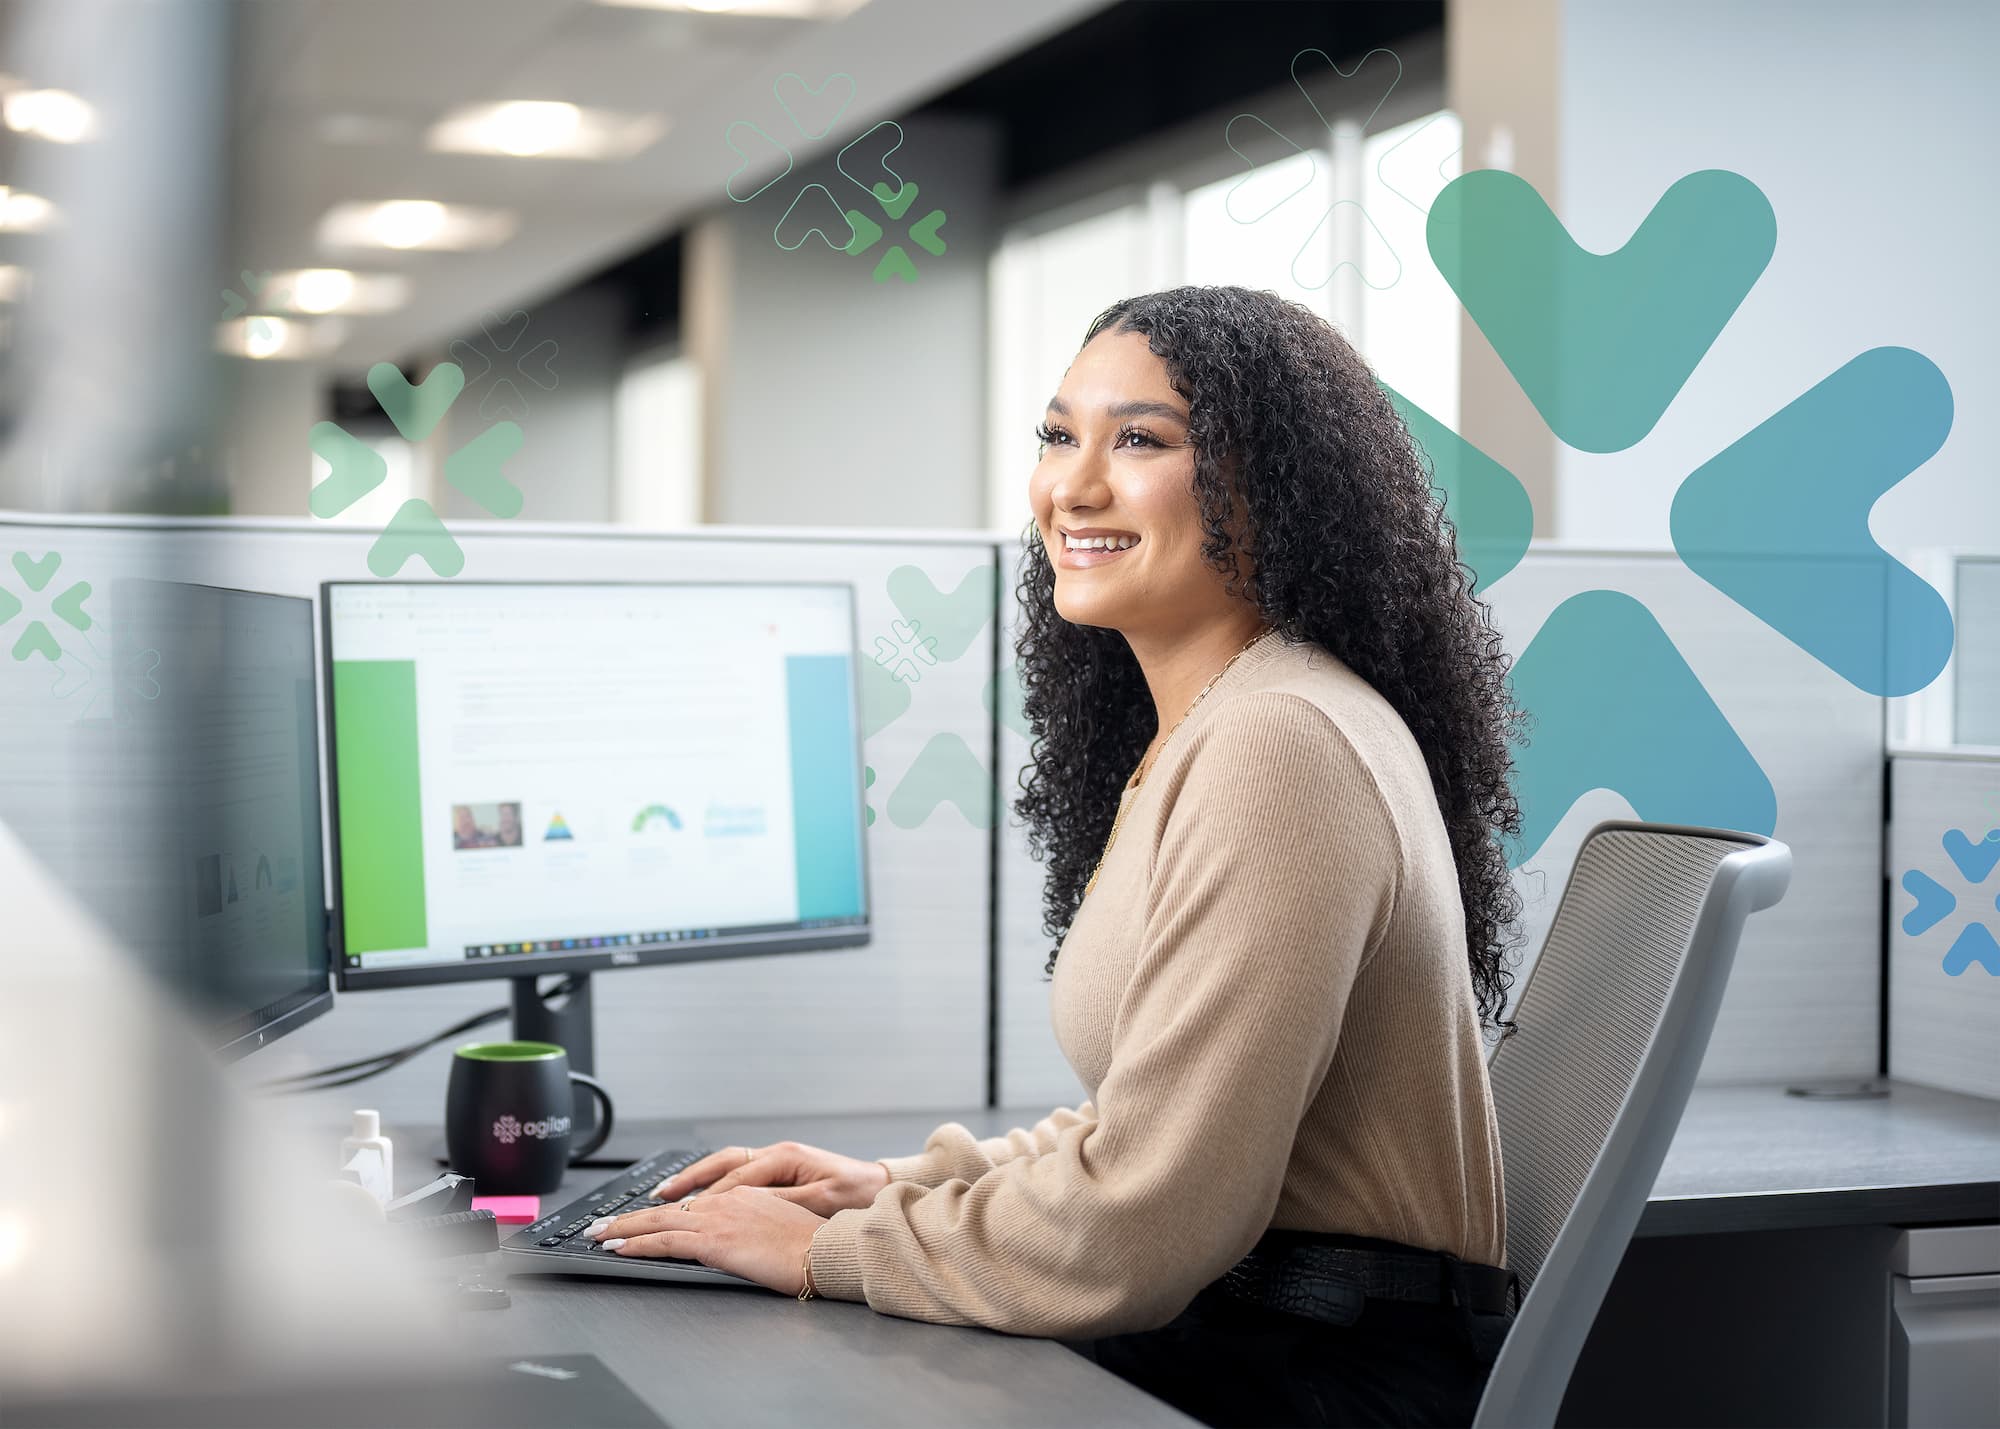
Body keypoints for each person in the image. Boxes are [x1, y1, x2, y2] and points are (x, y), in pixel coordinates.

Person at [586, 286, 1526, 1427]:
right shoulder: (1218, 724)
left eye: (1139, 439)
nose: (1072, 487)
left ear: (1275, 485)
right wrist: (898, 1185)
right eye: (1055, 435)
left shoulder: (1278, 745)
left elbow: (1149, 1217)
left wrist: (837, 1248)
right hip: (1255, 1329)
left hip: (1314, 1374)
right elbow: (1152, 1124)